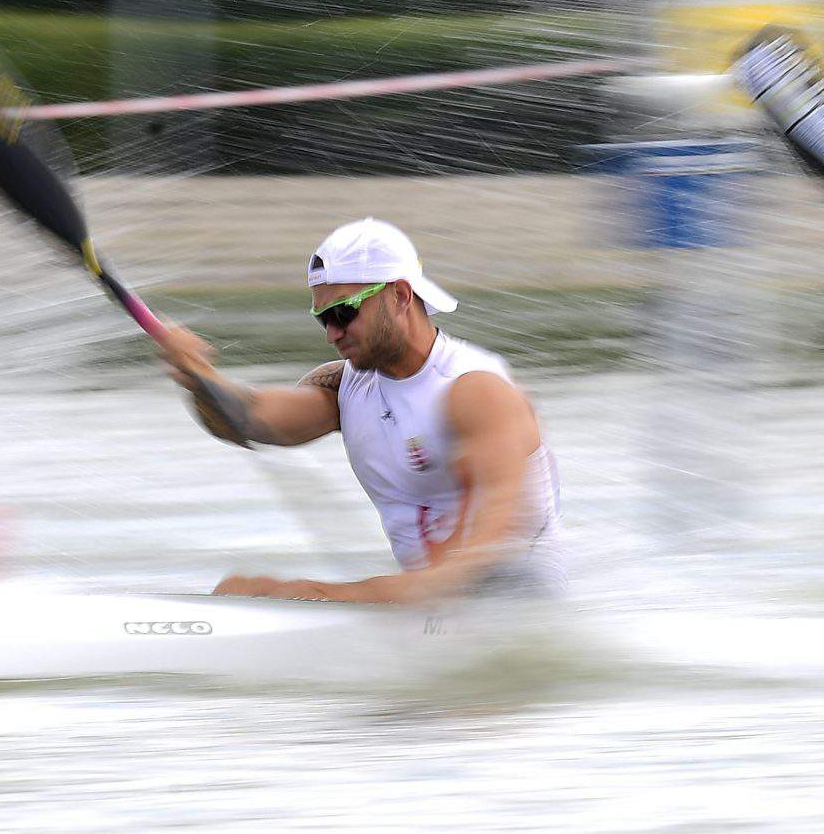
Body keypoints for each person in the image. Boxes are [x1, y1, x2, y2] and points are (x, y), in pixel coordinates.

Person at [152, 218, 563, 603]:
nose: (332, 333)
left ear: (400, 296)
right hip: (427, 612)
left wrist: (308, 593)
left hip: (512, 612)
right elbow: (244, 420)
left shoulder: (477, 393)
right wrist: (196, 377)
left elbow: (480, 562)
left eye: (343, 312)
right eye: (323, 319)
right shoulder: (343, 386)